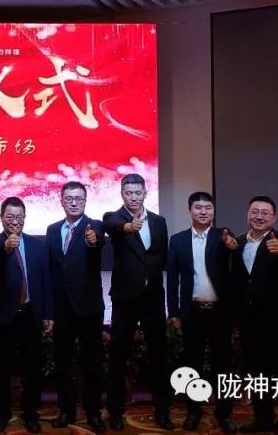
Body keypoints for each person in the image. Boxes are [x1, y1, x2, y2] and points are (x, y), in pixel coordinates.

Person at [102, 173, 174, 431]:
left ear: (145, 193)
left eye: (137, 193)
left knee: (159, 356)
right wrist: (127, 227)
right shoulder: (114, 217)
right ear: (122, 194)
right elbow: (111, 226)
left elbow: (160, 256)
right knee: (118, 356)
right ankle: (116, 411)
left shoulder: (158, 221)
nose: (133, 197)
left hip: (152, 297)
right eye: (128, 193)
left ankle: (163, 411)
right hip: (125, 298)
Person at [166, 191, 239, 433]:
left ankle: (224, 413)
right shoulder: (177, 240)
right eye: (198, 207)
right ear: (190, 211)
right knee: (192, 364)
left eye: (208, 207)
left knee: (223, 364)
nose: (203, 211)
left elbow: (233, 257)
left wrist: (232, 247)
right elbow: (173, 279)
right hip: (192, 312)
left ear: (214, 211)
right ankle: (193, 411)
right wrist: (173, 312)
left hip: (220, 312)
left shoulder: (223, 237)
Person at [0, 196, 54, 433]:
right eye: (10, 217)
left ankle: (30, 413)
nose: (15, 221)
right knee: (1, 368)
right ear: (1, 218)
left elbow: (45, 281)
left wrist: (48, 313)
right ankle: (2, 413)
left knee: (32, 367)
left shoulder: (37, 245)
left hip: (30, 314)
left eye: (19, 217)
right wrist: (7, 248)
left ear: (25, 218)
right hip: (4, 316)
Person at [46, 181, 107, 433]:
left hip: (88, 307)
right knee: (63, 362)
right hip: (62, 308)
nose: (74, 203)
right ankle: (66, 411)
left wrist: (93, 241)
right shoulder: (52, 230)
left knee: (92, 363)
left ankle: (93, 412)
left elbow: (97, 243)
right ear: (61, 200)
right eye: (69, 198)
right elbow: (51, 270)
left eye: (79, 199)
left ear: (85, 201)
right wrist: (49, 310)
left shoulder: (95, 226)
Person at [231, 196, 278, 435]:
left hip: (277, 321)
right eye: (255, 212)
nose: (259, 216)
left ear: (274, 217)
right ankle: (263, 419)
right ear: (247, 214)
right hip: (248, 320)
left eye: (265, 213)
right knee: (256, 373)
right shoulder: (238, 243)